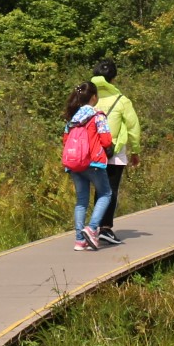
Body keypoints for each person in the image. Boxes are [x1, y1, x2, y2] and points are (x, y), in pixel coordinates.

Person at [90, 58, 142, 246]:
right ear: (113, 79)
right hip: (113, 151)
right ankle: (105, 229)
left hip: (91, 151)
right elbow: (133, 127)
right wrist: (135, 151)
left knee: (98, 190)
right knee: (110, 189)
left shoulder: (88, 97)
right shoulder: (122, 100)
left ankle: (92, 228)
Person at [60, 81, 115, 251]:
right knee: (106, 193)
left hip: (75, 164)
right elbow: (106, 140)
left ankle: (79, 240)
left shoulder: (72, 119)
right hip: (93, 162)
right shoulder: (97, 116)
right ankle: (91, 228)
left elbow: (65, 141)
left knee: (81, 200)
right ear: (93, 97)